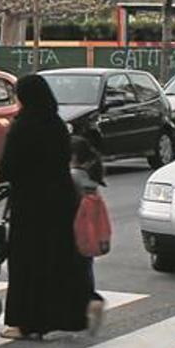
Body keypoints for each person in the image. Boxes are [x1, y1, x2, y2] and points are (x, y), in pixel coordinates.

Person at [0, 74, 88, 339]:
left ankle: (24, 322)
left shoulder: (22, 126)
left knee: (27, 262)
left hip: (30, 204)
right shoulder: (57, 124)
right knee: (56, 260)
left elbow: (9, 167)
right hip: (60, 201)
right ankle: (61, 317)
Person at [70, 135, 107, 336]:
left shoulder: (72, 176)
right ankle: (91, 301)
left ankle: (89, 303)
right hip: (89, 232)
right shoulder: (90, 177)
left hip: (74, 231)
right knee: (85, 269)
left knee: (71, 272)